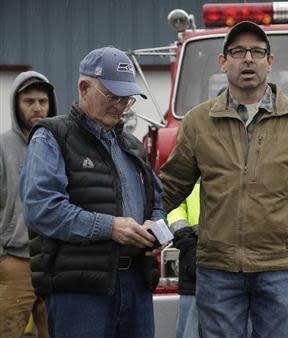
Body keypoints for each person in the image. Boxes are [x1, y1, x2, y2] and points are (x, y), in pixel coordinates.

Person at [160, 21, 288, 338]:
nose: (248, 59)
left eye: (257, 51)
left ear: (270, 61)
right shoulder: (199, 121)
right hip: (218, 268)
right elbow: (172, 185)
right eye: (238, 51)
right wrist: (146, 223)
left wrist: (285, 228)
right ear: (223, 62)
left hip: (280, 267)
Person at [19, 46, 165, 338]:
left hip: (136, 284)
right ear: (84, 88)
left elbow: (156, 201)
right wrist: (110, 227)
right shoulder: (51, 137)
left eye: (127, 97)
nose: (121, 104)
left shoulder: (131, 145)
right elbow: (42, 209)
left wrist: (157, 231)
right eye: (112, 95)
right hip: (80, 291)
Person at [0, 71, 56, 338]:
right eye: (29, 101)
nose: (37, 108)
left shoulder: (59, 143)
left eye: (43, 101)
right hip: (15, 261)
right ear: (16, 104)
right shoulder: (2, 147)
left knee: (55, 332)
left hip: (54, 261)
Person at [167, 183, 201, 338]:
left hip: (256, 266)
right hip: (195, 264)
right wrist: (187, 242)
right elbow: (173, 202)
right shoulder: (192, 158)